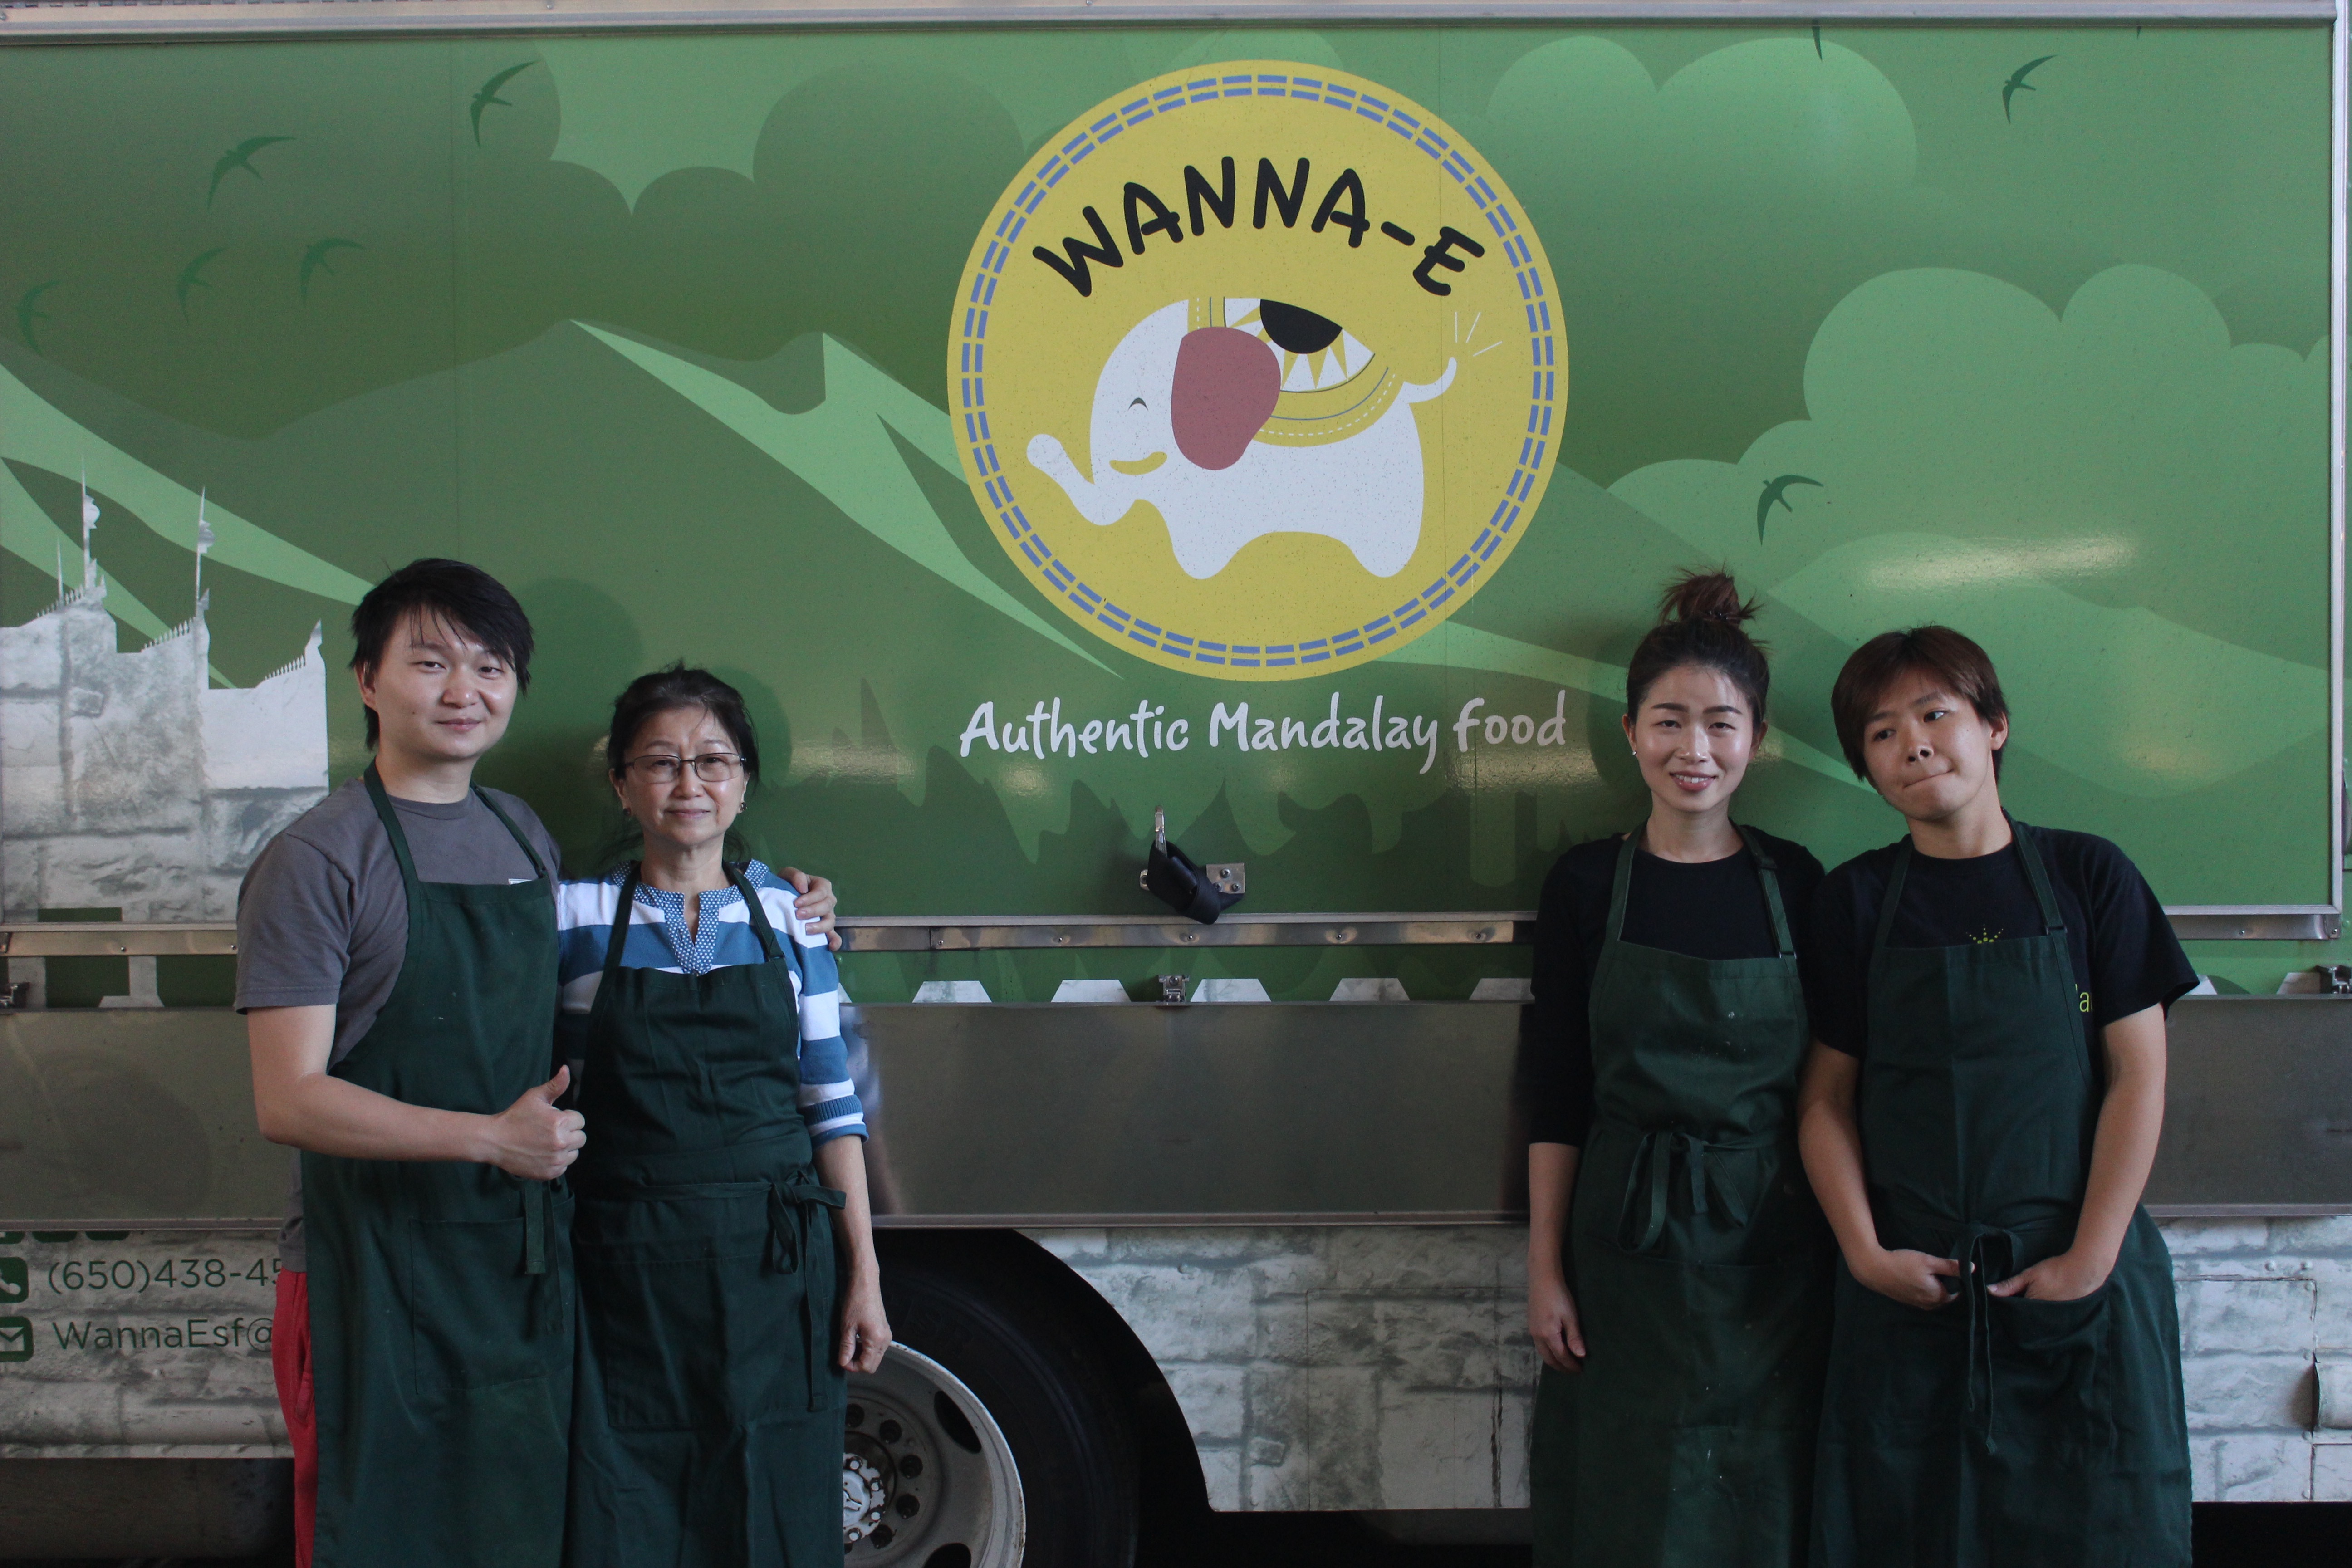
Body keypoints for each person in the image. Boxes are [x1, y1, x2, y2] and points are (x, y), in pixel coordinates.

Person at [240, 564, 833, 1568]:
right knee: (372, 1533)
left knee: (513, 1534)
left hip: (515, 1267)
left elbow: (670, 894)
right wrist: (489, 1139)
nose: (463, 689)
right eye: (430, 662)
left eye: (490, 665)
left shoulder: (524, 837)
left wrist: (788, 896)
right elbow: (286, 1100)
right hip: (364, 1267)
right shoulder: (318, 858)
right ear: (367, 681)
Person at [1798, 626, 2194, 1567]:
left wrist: (2090, 1260)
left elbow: (2139, 1077)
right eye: (1883, 733)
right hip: (1912, 1294)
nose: (1915, 744)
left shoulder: (2090, 876)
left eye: (1938, 714)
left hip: (2076, 1286)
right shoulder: (1852, 902)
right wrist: (1864, 1253)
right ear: (1866, 768)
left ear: (1996, 728)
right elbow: (1824, 1103)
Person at [1522, 571, 1833, 1566]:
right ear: (1629, 734)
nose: (1693, 750)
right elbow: (1559, 1086)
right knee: (1624, 1486)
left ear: (1756, 738)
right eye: (1668, 722)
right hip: (1621, 1244)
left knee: (1767, 1487)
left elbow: (1834, 1091)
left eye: (1720, 724)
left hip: (1775, 1244)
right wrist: (1544, 1271)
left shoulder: (1798, 884)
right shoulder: (1583, 884)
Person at [559, 665, 889, 1568]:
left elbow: (831, 1103)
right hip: (624, 1270)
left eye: (713, 761)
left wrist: (863, 1275)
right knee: (627, 1512)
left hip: (776, 1272)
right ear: (624, 785)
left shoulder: (792, 920)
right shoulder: (570, 919)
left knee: (773, 1510)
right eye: (661, 763)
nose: (689, 784)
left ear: (743, 781)